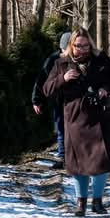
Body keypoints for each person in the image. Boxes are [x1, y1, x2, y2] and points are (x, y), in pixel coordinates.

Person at [42, 28, 110, 217]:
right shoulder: (61, 63)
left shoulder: (100, 59)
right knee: (79, 163)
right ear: (71, 45)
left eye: (86, 45)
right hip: (75, 117)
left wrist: (106, 88)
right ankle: (81, 202)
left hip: (100, 115)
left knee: (102, 160)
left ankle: (98, 201)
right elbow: (46, 89)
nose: (83, 49)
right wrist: (63, 78)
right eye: (79, 46)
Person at [32, 31, 72, 169]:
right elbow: (41, 79)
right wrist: (36, 100)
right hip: (59, 100)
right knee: (61, 128)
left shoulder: (79, 58)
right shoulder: (53, 59)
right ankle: (63, 157)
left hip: (75, 100)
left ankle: (73, 157)